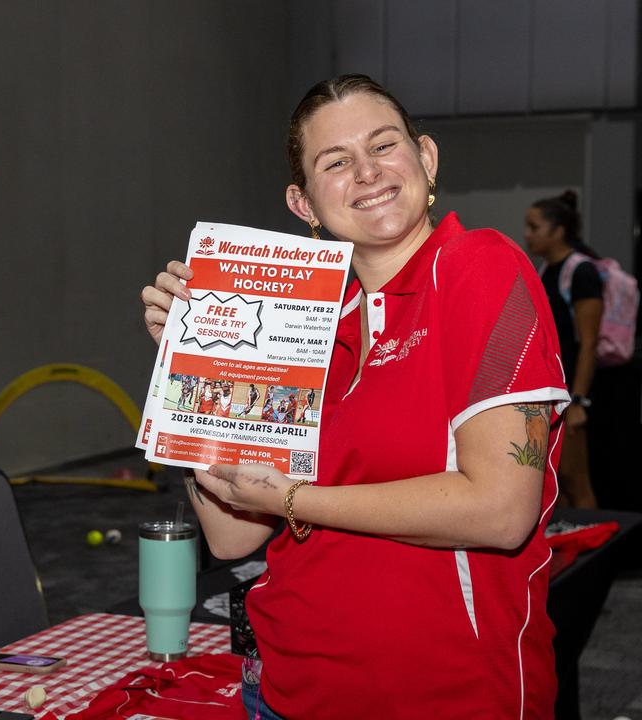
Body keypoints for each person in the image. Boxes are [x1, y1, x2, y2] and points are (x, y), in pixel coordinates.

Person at [141, 75, 568, 719]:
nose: (367, 172)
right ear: (304, 203)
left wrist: (293, 498)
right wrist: (195, 373)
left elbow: (501, 510)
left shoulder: (479, 268)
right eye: (335, 162)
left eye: (384, 146)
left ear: (425, 159)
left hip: (443, 698)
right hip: (286, 690)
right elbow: (230, 536)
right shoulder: (297, 321)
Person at [525, 191, 602, 509]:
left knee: (576, 480)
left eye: (534, 227)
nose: (528, 235)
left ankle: (600, 554)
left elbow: (589, 342)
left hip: (576, 397)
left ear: (558, 231)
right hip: (554, 394)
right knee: (559, 484)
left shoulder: (582, 272)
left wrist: (580, 402)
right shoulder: (544, 269)